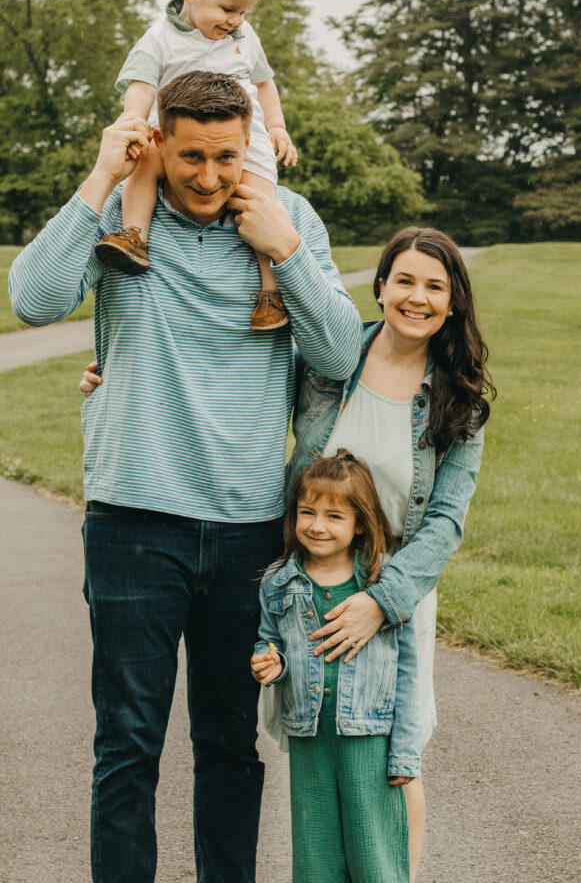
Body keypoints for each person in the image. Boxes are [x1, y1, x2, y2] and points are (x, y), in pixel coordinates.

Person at [9, 69, 362, 883]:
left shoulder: (287, 220)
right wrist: (101, 172)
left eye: (227, 158)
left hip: (246, 532)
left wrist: (286, 252)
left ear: (251, 150)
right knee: (126, 745)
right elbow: (31, 302)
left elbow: (338, 355)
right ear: (160, 142)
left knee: (230, 746)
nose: (208, 178)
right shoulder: (122, 217)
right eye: (192, 156)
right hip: (133, 522)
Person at [285, 226, 495, 879]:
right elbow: (238, 390)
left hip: (396, 599)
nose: (417, 297)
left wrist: (380, 602)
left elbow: (444, 525)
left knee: (394, 763)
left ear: (453, 302)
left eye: (435, 286)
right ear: (379, 289)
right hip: (312, 585)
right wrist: (109, 383)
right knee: (317, 759)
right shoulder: (328, 363)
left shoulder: (459, 401)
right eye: (403, 280)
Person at [96, 0, 297, 330]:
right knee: (143, 166)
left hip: (243, 137)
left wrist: (276, 126)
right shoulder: (160, 39)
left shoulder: (244, 39)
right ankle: (134, 236)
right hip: (174, 134)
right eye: (227, 9)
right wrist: (134, 122)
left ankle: (270, 293)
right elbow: (142, 84)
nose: (235, 21)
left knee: (261, 204)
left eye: (243, 13)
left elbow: (265, 83)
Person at [251, 450, 421, 883]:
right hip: (310, 736)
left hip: (370, 737)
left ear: (360, 522)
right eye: (307, 512)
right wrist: (270, 662)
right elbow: (270, 639)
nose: (317, 526)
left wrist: (404, 752)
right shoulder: (280, 581)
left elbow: (406, 673)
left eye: (334, 516)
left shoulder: (382, 585)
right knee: (315, 855)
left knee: (373, 854)